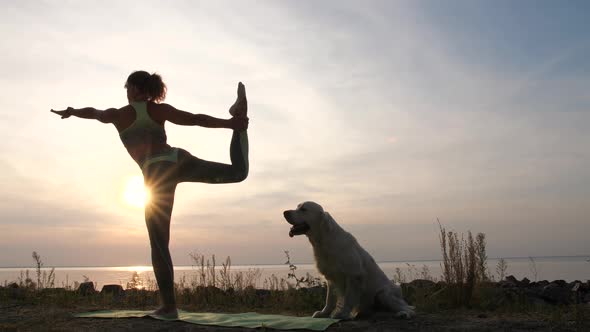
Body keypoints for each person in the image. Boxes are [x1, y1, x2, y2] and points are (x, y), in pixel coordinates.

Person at [51, 71, 249, 318]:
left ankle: (168, 307)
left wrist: (72, 111)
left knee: (158, 243)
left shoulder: (118, 115)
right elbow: (195, 119)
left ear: (133, 89)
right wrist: (230, 124)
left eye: (127, 87)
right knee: (238, 172)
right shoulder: (159, 110)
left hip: (156, 174)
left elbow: (93, 112)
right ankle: (240, 123)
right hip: (178, 159)